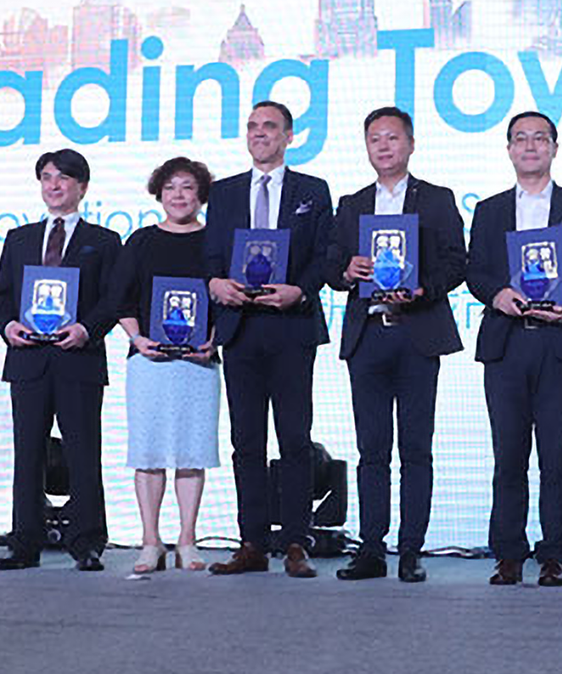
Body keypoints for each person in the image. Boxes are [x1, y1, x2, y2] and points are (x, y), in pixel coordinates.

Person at [466, 111, 562, 587]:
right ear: (509, 149)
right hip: (506, 345)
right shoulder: (488, 210)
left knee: (555, 455)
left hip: (559, 343)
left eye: (539, 139)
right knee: (507, 455)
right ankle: (508, 552)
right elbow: (477, 271)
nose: (530, 146)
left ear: (554, 147)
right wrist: (496, 295)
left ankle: (555, 553)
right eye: (520, 139)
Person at [327, 107, 466, 583]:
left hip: (416, 332)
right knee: (371, 451)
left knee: (416, 449)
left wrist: (424, 287)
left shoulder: (438, 199)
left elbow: (456, 263)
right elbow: (329, 268)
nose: (383, 146)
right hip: (367, 336)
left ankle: (411, 550)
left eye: (392, 138)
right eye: (374, 140)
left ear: (410, 144)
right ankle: (370, 548)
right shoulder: (350, 204)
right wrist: (347, 270)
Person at [204, 100, 334, 578]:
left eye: (270, 127)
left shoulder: (312, 190)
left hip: (291, 325)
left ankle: (297, 542)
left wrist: (300, 289)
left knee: (295, 438)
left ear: (289, 136)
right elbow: (211, 255)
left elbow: (326, 254)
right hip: (240, 328)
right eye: (253, 127)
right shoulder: (224, 192)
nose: (260, 134)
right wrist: (215, 283)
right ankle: (252, 543)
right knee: (246, 441)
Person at [0, 149, 123, 572]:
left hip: (78, 359)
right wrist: (8, 325)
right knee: (27, 453)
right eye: (46, 177)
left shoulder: (103, 241)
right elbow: (1, 294)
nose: (53, 185)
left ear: (82, 186)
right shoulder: (19, 237)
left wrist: (86, 329)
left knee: (84, 452)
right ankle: (24, 542)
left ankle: (87, 542)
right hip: (28, 359)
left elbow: (113, 299)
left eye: (63, 178)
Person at [111, 157, 220, 573]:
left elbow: (225, 298)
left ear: (200, 195)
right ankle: (150, 541)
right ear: (158, 192)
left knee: (192, 452)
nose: (179, 195)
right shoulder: (140, 241)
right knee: (150, 451)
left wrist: (213, 341)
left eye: (188, 187)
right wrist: (138, 339)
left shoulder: (215, 241)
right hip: (149, 361)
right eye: (171, 187)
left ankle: (187, 540)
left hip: (199, 363)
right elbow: (120, 297)